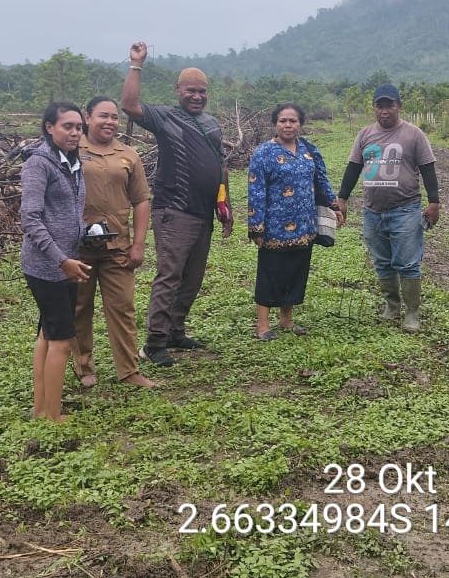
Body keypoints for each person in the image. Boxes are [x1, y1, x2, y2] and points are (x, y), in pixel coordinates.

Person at [121, 41, 233, 367]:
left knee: (193, 277)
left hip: (204, 213)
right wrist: (136, 64)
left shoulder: (212, 124)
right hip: (174, 211)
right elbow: (129, 104)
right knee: (170, 275)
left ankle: (175, 330)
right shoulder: (165, 118)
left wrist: (225, 207)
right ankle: (154, 343)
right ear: (178, 90)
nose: (196, 96)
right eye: (190, 91)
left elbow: (220, 166)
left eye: (201, 91)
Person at [333, 83, 440, 332]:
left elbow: (428, 169)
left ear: (399, 106)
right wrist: (342, 198)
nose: (384, 111)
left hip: (405, 209)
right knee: (382, 262)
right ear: (374, 108)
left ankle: (412, 313)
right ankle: (392, 306)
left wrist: (434, 202)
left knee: (408, 263)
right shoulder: (364, 134)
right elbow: (352, 168)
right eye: (380, 106)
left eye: (389, 105)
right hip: (372, 212)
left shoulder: (414, 134)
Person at [74, 96, 157, 389]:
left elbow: (141, 200)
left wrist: (139, 244)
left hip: (118, 245)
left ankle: (129, 370)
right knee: (79, 307)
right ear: (87, 118)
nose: (109, 122)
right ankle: (83, 367)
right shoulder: (72, 150)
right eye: (102, 116)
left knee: (122, 307)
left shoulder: (128, 155)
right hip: (78, 246)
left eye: (113, 117)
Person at [20, 102, 92, 419]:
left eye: (78, 127)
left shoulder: (73, 164)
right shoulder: (40, 165)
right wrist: (61, 259)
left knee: (46, 336)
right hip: (48, 268)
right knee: (61, 341)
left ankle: (40, 408)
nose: (75, 132)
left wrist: (87, 232)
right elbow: (30, 219)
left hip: (65, 262)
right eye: (67, 126)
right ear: (49, 127)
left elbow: (67, 214)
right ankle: (52, 415)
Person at [247, 104, 339, 340]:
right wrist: (256, 226)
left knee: (296, 272)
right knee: (270, 273)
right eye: (282, 121)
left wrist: (334, 204)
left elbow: (321, 180)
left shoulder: (309, 150)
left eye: (293, 121)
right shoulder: (263, 153)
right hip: (275, 227)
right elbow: (256, 191)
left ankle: (286, 320)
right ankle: (263, 325)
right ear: (275, 124)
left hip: (304, 225)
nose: (288, 125)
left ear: (300, 124)